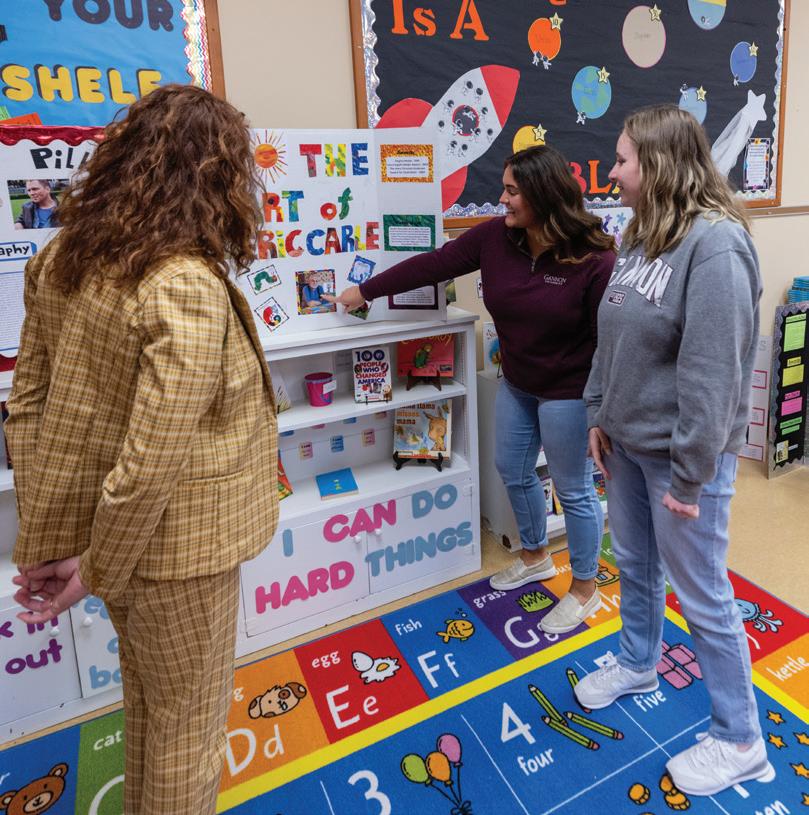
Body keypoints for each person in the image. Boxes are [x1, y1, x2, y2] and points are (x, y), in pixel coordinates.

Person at [7, 85, 279, 814]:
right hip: (177, 550)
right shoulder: (181, 282)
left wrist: (54, 540)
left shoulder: (60, 256)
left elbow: (29, 407)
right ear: (218, 178)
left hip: (113, 539)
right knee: (186, 728)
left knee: (152, 707)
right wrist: (92, 566)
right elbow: (151, 460)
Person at [326, 145, 615, 634]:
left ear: (543, 195)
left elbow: (608, 341)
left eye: (511, 191)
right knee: (512, 470)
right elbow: (432, 265)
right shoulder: (494, 238)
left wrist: (601, 411)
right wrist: (365, 289)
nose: (501, 200)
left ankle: (585, 588)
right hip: (518, 383)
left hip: (569, 391)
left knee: (574, 490)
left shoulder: (594, 259)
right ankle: (535, 557)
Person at [578, 104, 773, 796]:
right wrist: (599, 411)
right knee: (633, 563)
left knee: (703, 596)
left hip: (682, 462)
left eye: (622, 160)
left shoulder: (716, 247)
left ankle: (741, 739)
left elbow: (714, 374)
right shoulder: (641, 234)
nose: (612, 172)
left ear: (658, 166)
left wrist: (690, 479)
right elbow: (611, 336)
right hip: (627, 445)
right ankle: (638, 662)